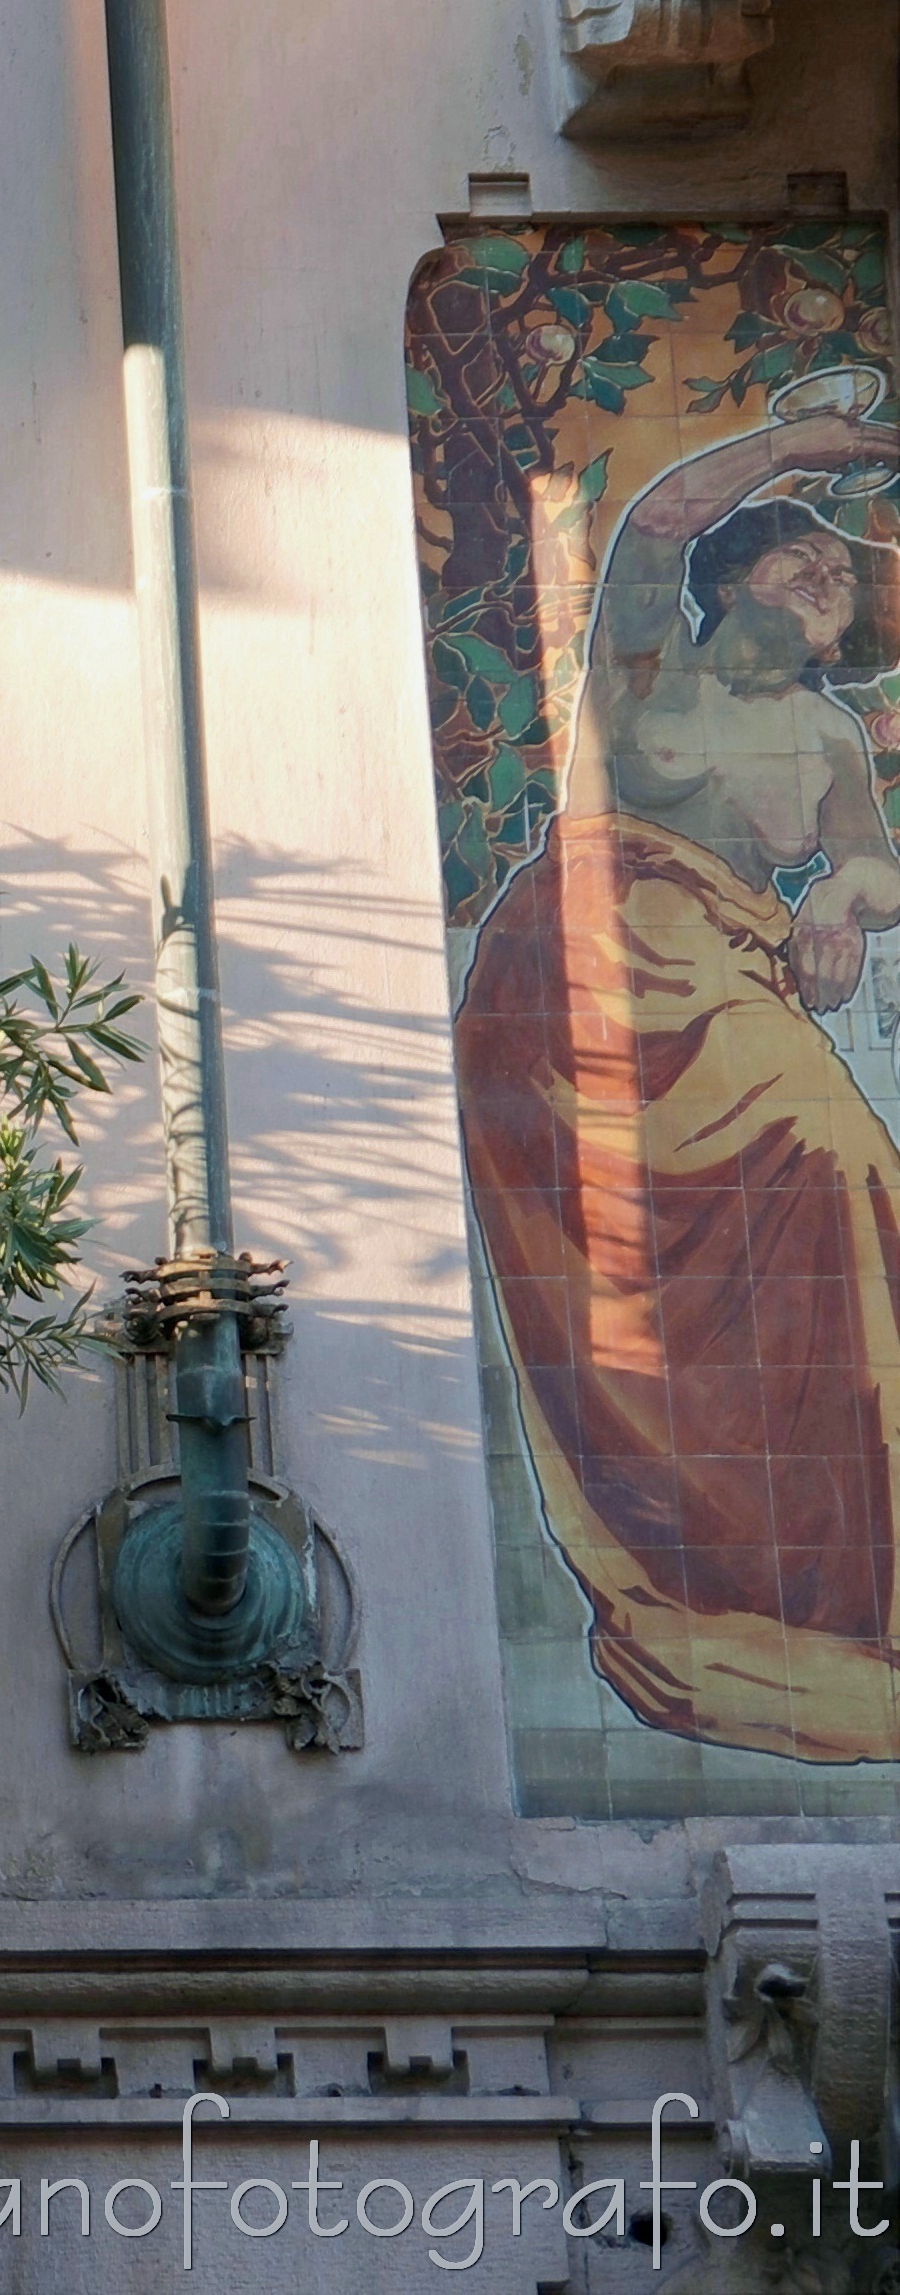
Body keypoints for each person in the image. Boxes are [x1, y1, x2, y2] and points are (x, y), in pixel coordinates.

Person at [456, 403, 900, 1760]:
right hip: (578, 987)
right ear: (729, 582)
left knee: (848, 1172)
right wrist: (801, 446)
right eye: (792, 555)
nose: (820, 569)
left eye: (837, 569)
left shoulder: (831, 739)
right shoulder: (645, 666)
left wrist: (841, 902)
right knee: (666, 1275)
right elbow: (648, 517)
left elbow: (875, 864)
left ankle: (835, 1595)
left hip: (728, 978)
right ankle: (699, 1586)